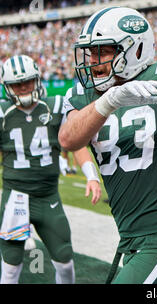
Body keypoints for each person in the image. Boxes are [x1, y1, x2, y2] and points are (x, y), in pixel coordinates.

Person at [58, 7, 157, 284]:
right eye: (90, 52)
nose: (92, 60)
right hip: (131, 236)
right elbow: (68, 139)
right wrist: (108, 101)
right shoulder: (87, 94)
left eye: (102, 51)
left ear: (135, 49)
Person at [0, 55, 101, 284]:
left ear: (37, 79)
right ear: (8, 87)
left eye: (28, 81)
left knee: (65, 258)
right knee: (11, 262)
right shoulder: (3, 113)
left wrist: (92, 177)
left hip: (47, 197)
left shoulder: (55, 106)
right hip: (14, 197)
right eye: (18, 83)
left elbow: (74, 144)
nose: (24, 87)